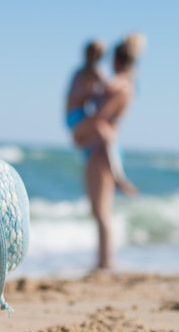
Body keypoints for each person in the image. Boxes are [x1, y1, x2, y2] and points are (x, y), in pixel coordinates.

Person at [69, 33, 147, 270]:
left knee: (101, 211)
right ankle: (103, 261)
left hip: (102, 149)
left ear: (117, 60)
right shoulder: (125, 83)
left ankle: (105, 263)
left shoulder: (122, 86)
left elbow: (101, 115)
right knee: (99, 210)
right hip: (100, 147)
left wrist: (80, 129)